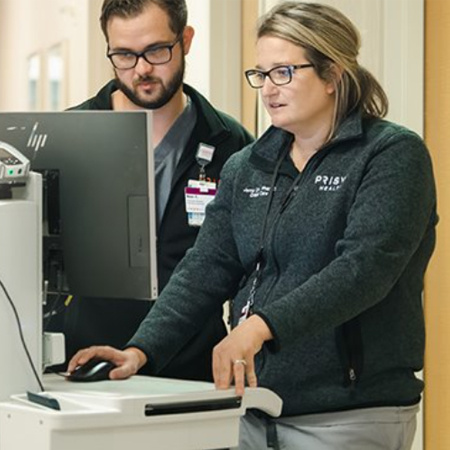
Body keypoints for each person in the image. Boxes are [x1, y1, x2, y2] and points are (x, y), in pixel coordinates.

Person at [69, 2, 437, 449]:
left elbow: (363, 270)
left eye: (283, 72)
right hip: (251, 408)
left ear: (333, 74)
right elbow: (205, 267)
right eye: (260, 74)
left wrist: (259, 327)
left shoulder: (390, 155)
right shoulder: (250, 165)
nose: (267, 89)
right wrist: (140, 350)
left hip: (347, 413)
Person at [60, 0, 254, 382]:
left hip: (193, 375)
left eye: (156, 50)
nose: (142, 69)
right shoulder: (69, 140)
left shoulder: (233, 146)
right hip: (84, 368)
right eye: (124, 55)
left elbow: (248, 264)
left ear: (186, 40)